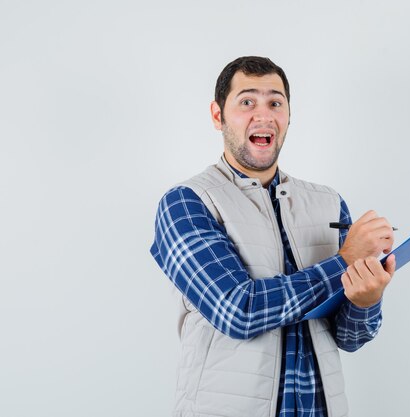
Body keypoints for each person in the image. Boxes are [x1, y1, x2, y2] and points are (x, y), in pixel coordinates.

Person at [150, 56, 396, 417]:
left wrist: (366, 299)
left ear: (289, 116)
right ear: (218, 116)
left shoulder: (328, 203)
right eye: (247, 101)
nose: (263, 115)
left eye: (275, 103)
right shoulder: (186, 203)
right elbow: (237, 310)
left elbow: (349, 338)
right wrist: (344, 261)